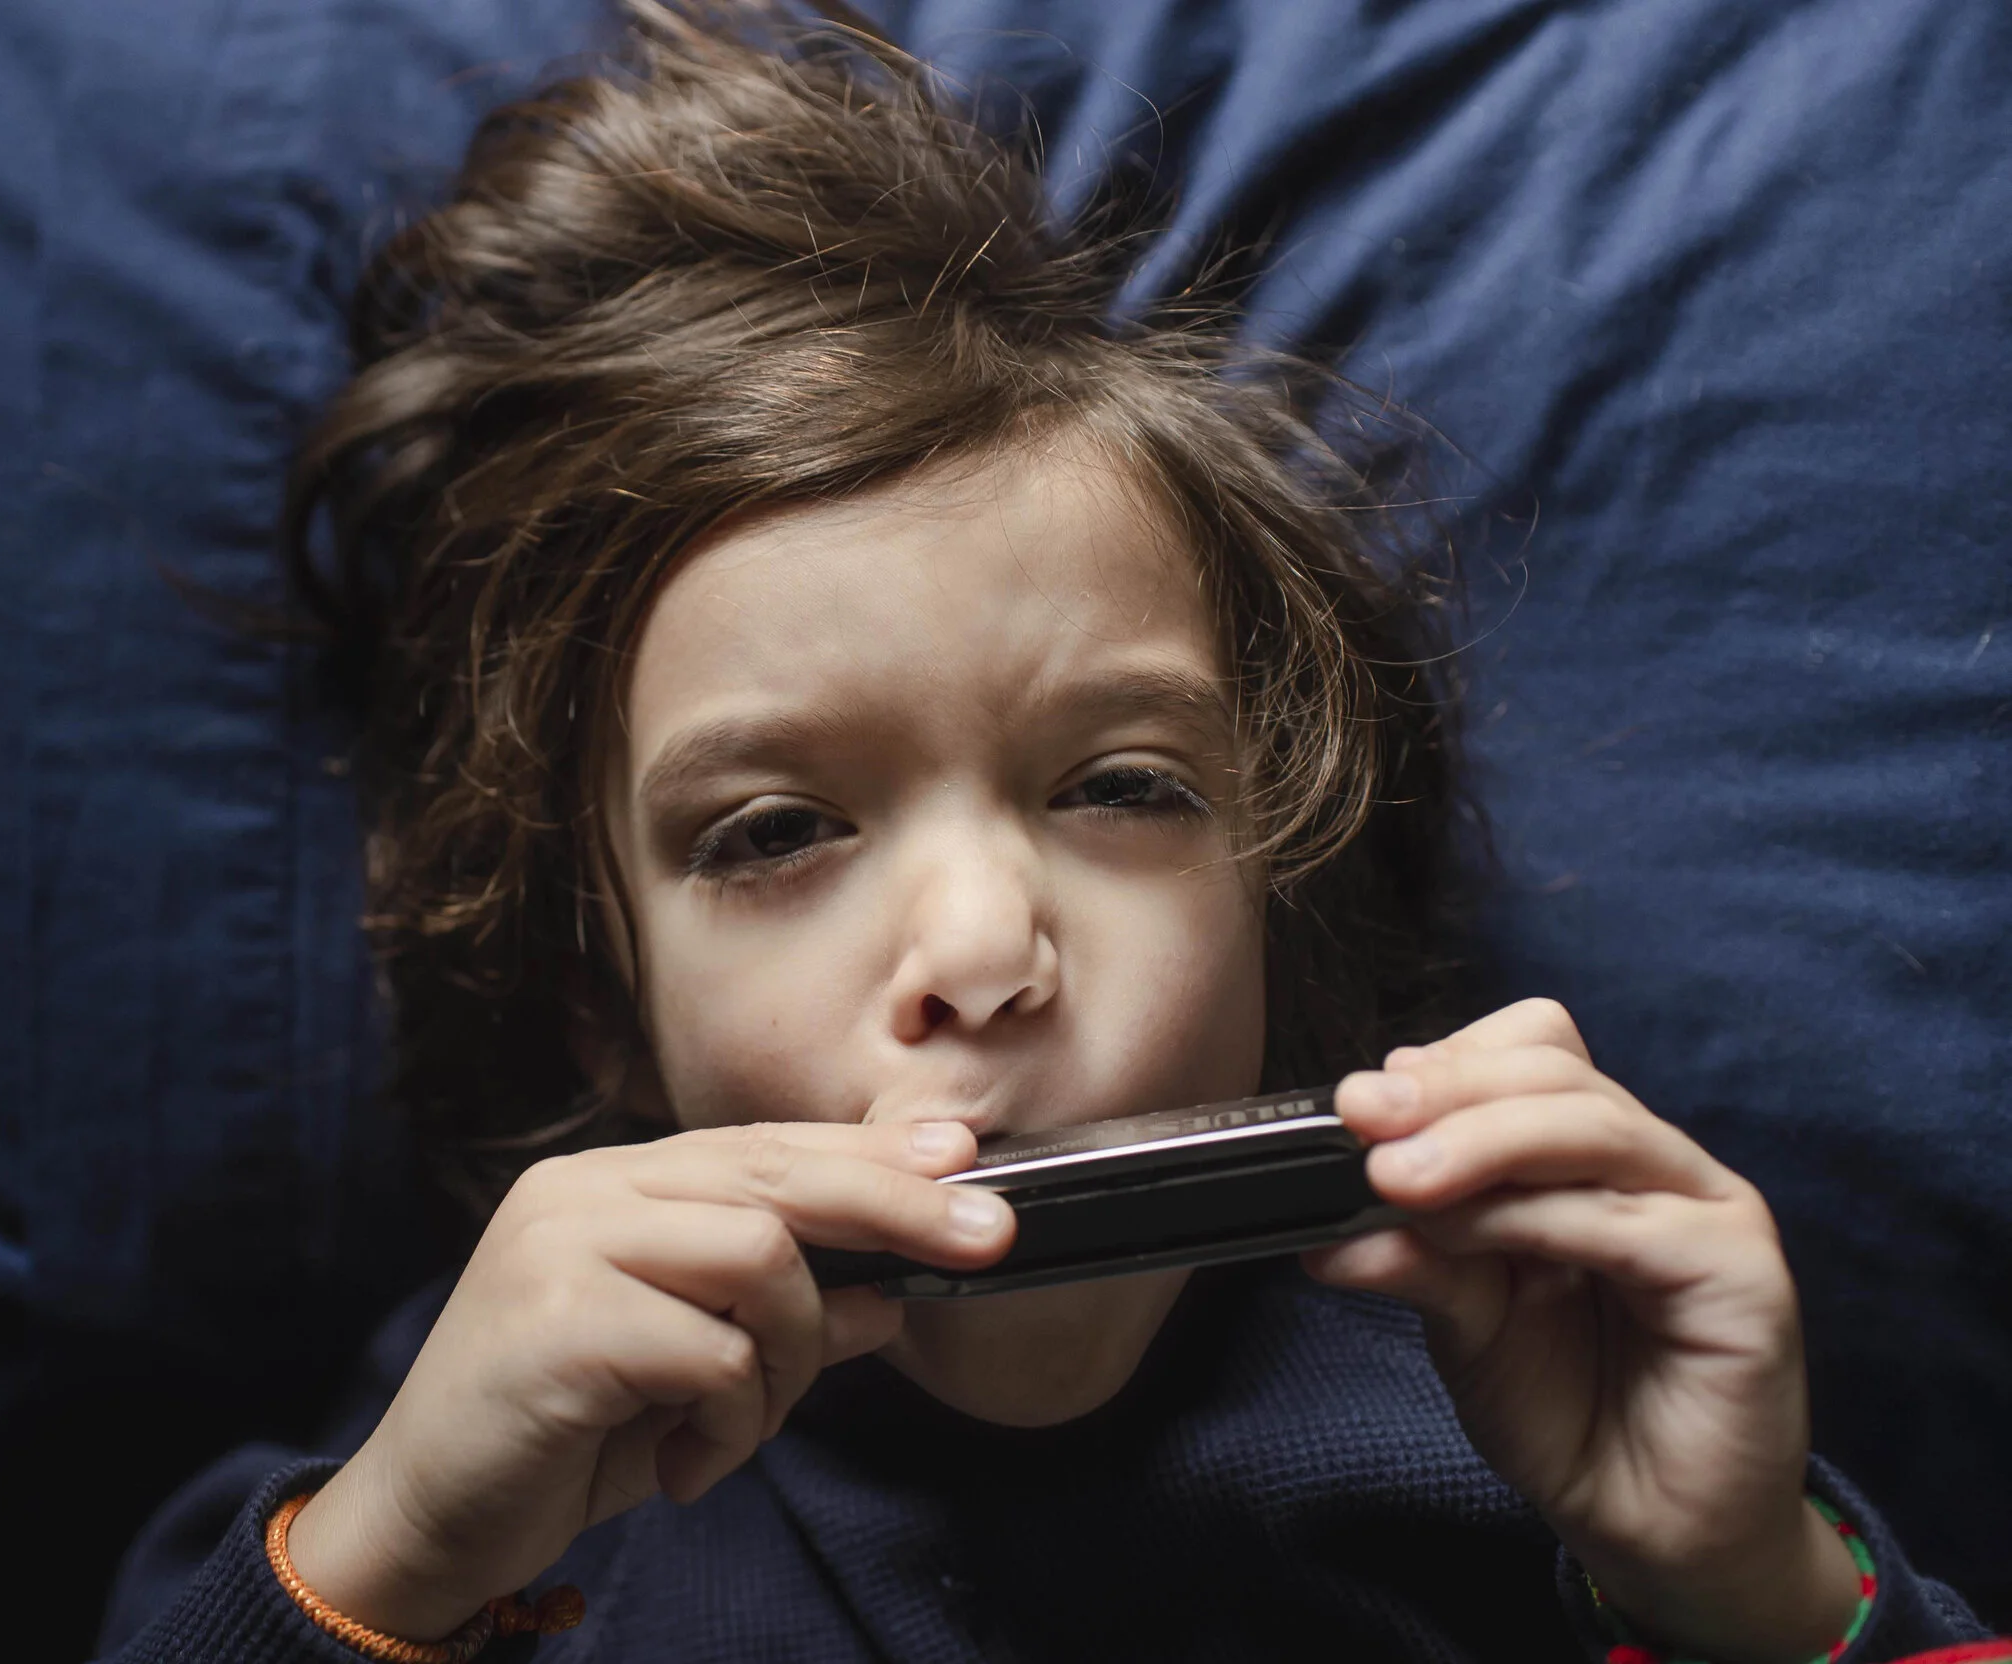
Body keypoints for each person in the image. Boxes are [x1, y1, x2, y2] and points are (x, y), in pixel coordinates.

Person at [103, 7, 1997, 1660]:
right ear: (604, 1002)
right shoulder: (482, 1468)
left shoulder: (1537, 1423)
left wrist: (1749, 1590)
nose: (986, 952)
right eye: (776, 831)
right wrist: (393, 1562)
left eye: (1120, 787)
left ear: (1275, 884)